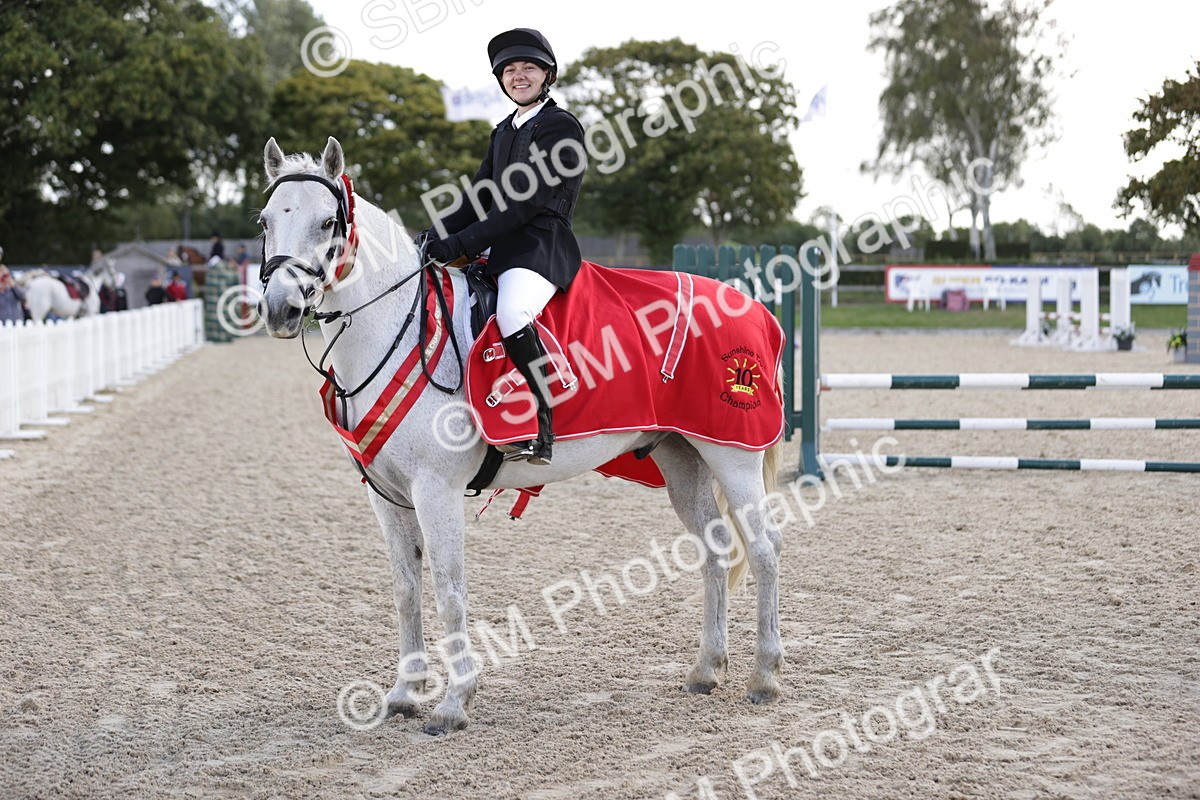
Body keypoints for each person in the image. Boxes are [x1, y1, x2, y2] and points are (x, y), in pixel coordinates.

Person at [420, 28, 585, 466]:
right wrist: (428, 236)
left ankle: (542, 424)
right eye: (510, 70)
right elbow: (479, 197)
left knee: (512, 312)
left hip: (540, 245)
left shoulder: (560, 126)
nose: (518, 76)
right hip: (502, 245)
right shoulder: (503, 132)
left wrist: (460, 242)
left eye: (528, 67)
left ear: (547, 74)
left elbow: (525, 204)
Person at [0, 253, 27, 323]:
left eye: (6, 275)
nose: (5, 278)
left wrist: (13, 284)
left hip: (17, 323)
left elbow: (23, 296)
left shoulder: (12, 288)